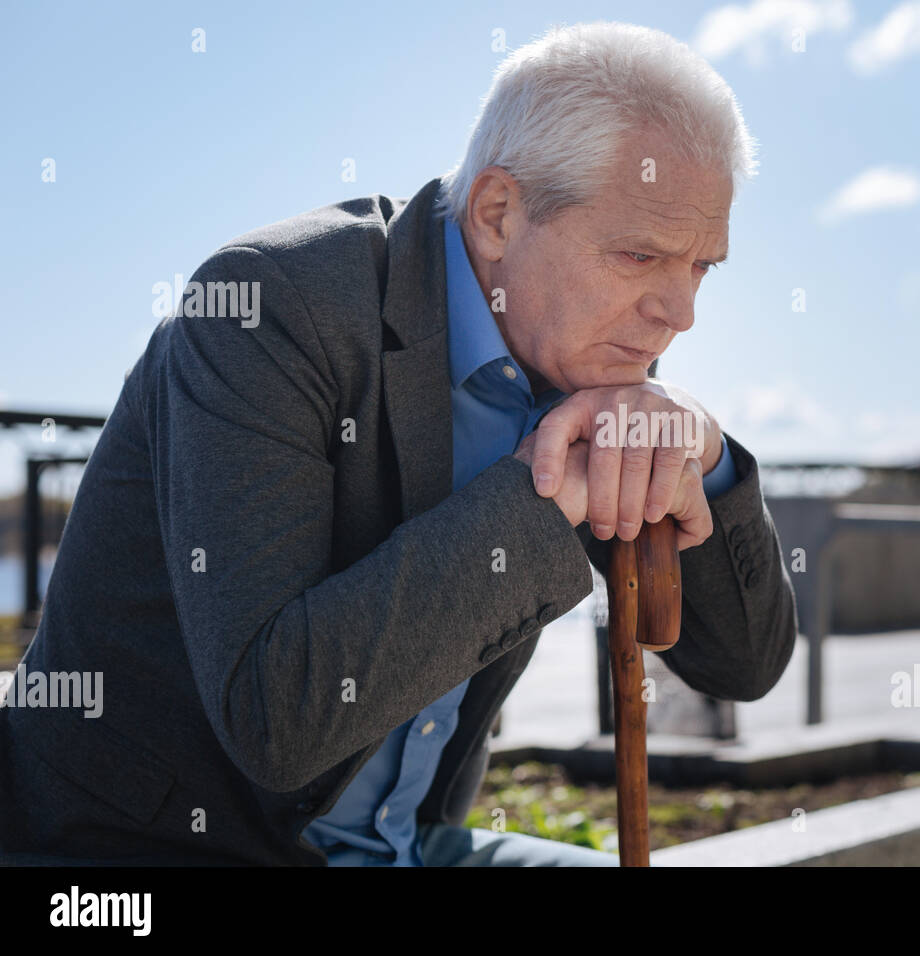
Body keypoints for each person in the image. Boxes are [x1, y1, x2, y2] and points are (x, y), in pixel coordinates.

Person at [0, 21, 797, 867]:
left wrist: (703, 460)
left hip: (403, 847)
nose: (681, 312)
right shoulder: (264, 306)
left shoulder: (582, 347)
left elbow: (743, 667)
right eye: (640, 255)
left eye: (702, 266)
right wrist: (549, 488)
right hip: (134, 854)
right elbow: (278, 718)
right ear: (498, 213)